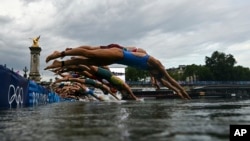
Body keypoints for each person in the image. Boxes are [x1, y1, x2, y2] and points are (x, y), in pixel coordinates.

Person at [45, 45, 191, 99]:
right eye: (157, 77)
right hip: (119, 54)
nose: (157, 78)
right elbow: (171, 81)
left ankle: (62, 63)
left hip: (117, 58)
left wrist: (176, 92)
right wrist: (182, 91)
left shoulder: (153, 71)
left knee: (88, 61)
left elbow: (166, 84)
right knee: (90, 55)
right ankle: (61, 54)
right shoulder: (156, 64)